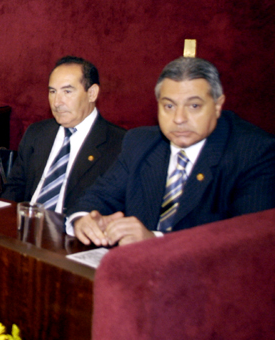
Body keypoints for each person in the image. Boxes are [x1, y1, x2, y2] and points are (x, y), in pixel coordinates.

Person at [68, 57, 275, 246]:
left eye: (194, 106)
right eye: (169, 106)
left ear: (218, 105)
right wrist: (84, 219)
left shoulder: (255, 152)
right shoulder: (141, 142)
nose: (179, 118)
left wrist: (156, 241)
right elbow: (98, 197)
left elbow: (249, 243)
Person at [1, 56, 125, 214]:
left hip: (75, 234)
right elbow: (15, 187)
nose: (57, 102)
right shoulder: (37, 133)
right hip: (26, 227)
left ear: (92, 93)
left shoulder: (119, 144)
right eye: (52, 91)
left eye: (67, 91)